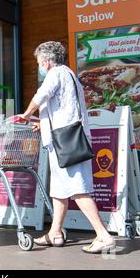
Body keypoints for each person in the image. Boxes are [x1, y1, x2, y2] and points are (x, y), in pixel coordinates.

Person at [19, 41, 116, 254]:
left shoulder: (56, 73)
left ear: (47, 60)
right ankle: (55, 232)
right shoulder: (69, 75)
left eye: (39, 62)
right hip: (66, 139)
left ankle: (103, 235)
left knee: (77, 188)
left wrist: (26, 114)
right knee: (60, 191)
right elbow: (64, 108)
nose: (39, 66)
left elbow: (41, 96)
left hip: (66, 142)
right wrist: (41, 122)